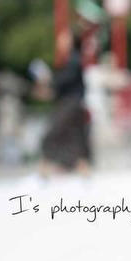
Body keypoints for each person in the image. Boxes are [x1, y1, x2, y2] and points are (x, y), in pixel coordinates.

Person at [39, 31, 92, 175]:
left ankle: (44, 169)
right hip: (74, 103)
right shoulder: (72, 60)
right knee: (76, 137)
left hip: (70, 103)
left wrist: (50, 84)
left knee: (53, 134)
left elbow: (63, 81)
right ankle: (83, 168)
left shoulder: (73, 60)